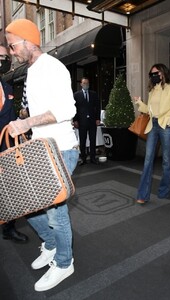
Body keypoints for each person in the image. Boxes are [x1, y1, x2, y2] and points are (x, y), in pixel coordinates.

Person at [5, 19, 79, 292]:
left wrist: (27, 123)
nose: (12, 52)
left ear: (28, 41)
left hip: (61, 149)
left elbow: (67, 110)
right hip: (42, 149)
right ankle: (51, 244)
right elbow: (42, 108)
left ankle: (64, 262)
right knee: (30, 206)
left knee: (56, 212)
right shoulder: (32, 70)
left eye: (13, 46)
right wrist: (25, 118)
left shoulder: (52, 67)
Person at [134, 63, 170, 204]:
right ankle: (143, 194)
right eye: (151, 74)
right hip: (153, 125)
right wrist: (140, 102)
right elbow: (149, 111)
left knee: (166, 160)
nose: (153, 76)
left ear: (162, 73)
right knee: (148, 160)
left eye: (155, 73)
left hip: (166, 126)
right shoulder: (152, 91)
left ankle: (164, 190)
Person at [0, 45, 28, 243]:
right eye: (1, 56)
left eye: (6, 56)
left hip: (5, 148)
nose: (5, 60)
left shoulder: (7, 86)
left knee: (9, 189)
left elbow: (9, 119)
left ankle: (9, 227)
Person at [73, 77, 101, 165]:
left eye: (87, 83)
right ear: (81, 84)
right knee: (82, 140)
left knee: (93, 140)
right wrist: (75, 120)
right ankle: (83, 159)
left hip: (92, 121)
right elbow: (74, 109)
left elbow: (98, 107)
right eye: (84, 83)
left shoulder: (93, 94)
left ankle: (93, 158)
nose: (86, 85)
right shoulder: (76, 95)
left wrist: (98, 118)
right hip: (82, 122)